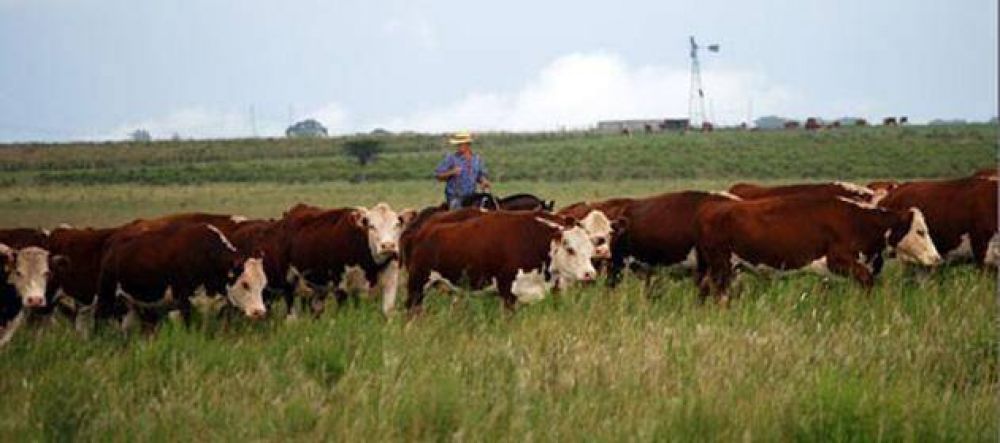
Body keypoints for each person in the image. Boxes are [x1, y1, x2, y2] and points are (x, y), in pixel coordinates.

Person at [434, 131, 491, 209]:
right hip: (456, 197)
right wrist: (451, 172)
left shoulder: (476, 159)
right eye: (458, 145)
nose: (458, 147)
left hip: (472, 197)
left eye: (460, 144)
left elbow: (480, 175)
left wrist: (483, 181)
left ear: (467, 145)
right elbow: (438, 175)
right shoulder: (451, 158)